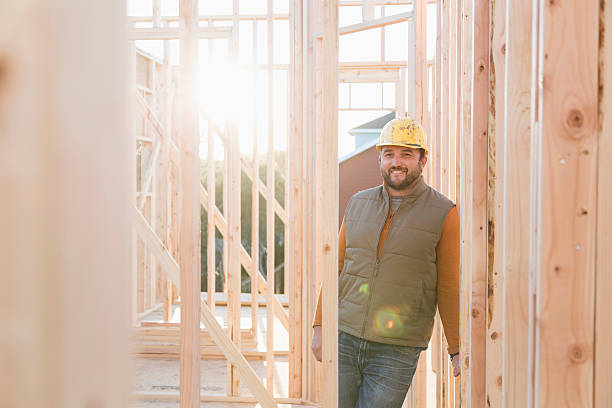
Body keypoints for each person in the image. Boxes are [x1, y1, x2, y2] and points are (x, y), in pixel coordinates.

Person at [310, 117, 460, 408]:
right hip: (345, 337)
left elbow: (449, 284)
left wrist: (456, 349)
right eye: (389, 154)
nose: (396, 162)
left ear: (422, 160)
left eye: (406, 154)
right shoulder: (358, 203)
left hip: (397, 350)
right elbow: (338, 268)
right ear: (380, 158)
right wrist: (319, 325)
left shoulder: (444, 213)